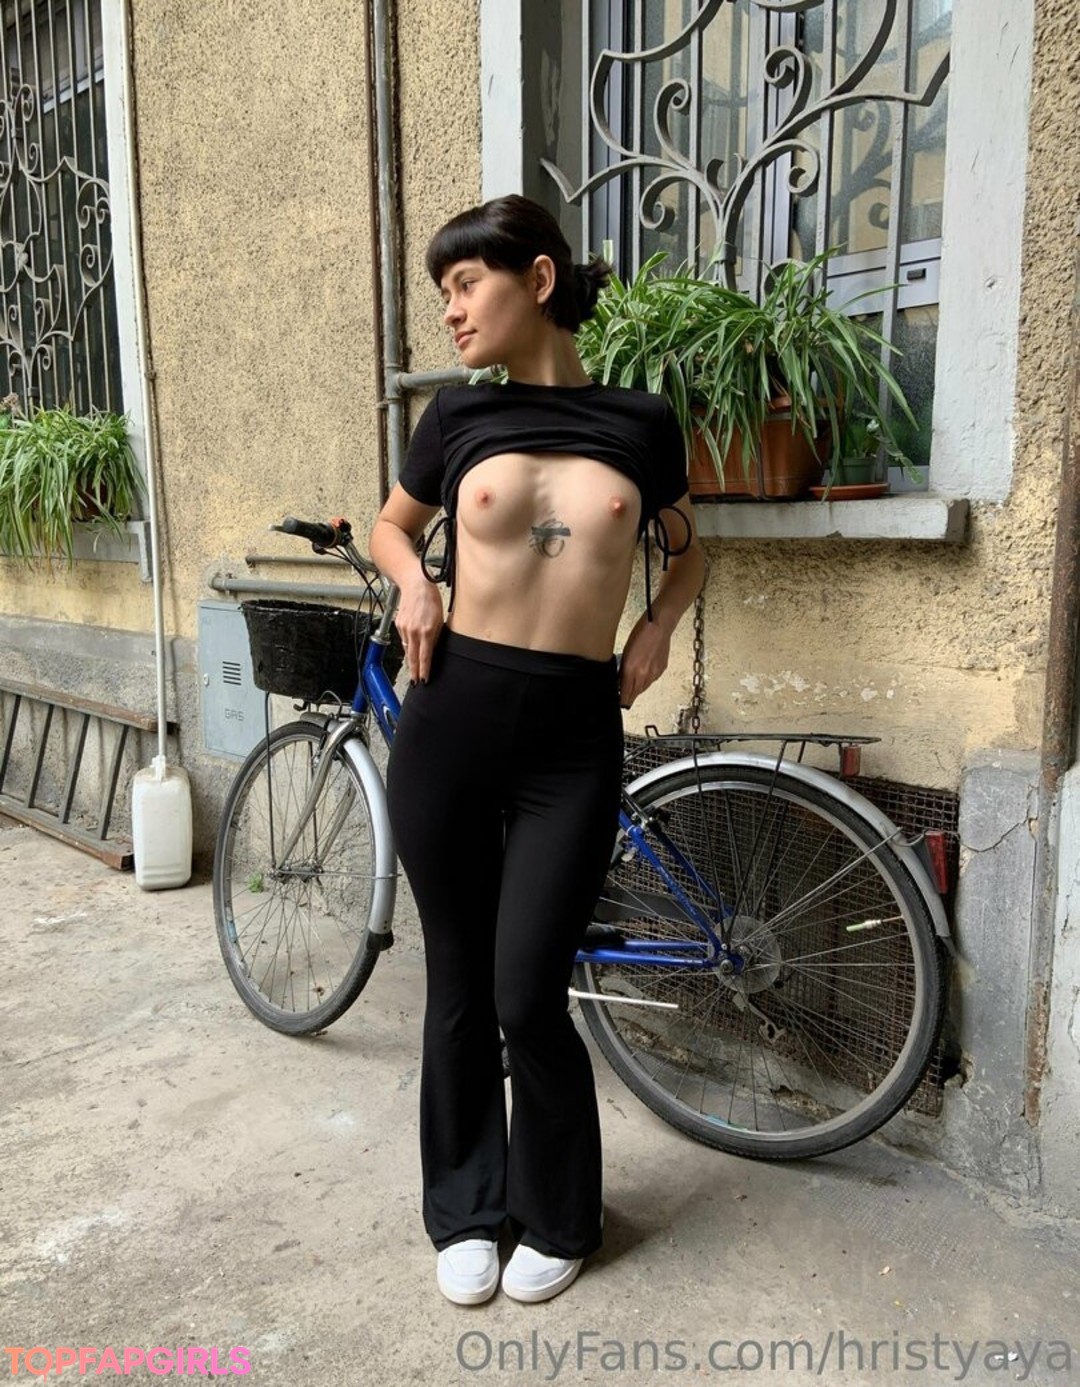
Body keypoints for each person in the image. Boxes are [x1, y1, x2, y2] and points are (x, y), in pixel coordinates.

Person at [369, 194, 705, 1306]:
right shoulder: (456, 415)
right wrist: (415, 585)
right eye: (445, 292)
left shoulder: (642, 423)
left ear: (540, 279)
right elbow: (392, 526)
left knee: (528, 991)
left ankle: (558, 1212)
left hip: (571, 739)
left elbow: (690, 553)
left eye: (467, 284)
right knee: (460, 982)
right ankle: (467, 1207)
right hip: (452, 722)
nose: (452, 310)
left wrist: (656, 626)